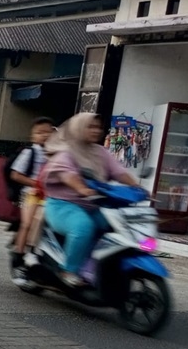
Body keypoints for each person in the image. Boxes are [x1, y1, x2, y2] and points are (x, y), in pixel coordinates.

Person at [41, 113, 140, 287]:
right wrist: (82, 189)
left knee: (116, 226)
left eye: (98, 127)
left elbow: (119, 172)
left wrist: (138, 187)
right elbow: (68, 175)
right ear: (79, 128)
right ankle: (68, 270)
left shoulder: (101, 152)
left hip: (92, 204)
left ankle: (93, 265)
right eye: (90, 126)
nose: (96, 131)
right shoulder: (66, 152)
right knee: (84, 227)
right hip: (62, 204)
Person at [10, 117, 54, 276]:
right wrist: (36, 183)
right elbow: (15, 175)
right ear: (33, 136)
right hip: (31, 194)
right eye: (39, 132)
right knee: (28, 223)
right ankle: (20, 254)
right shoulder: (30, 152)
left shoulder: (56, 154)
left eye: (48, 132)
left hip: (50, 196)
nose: (44, 135)